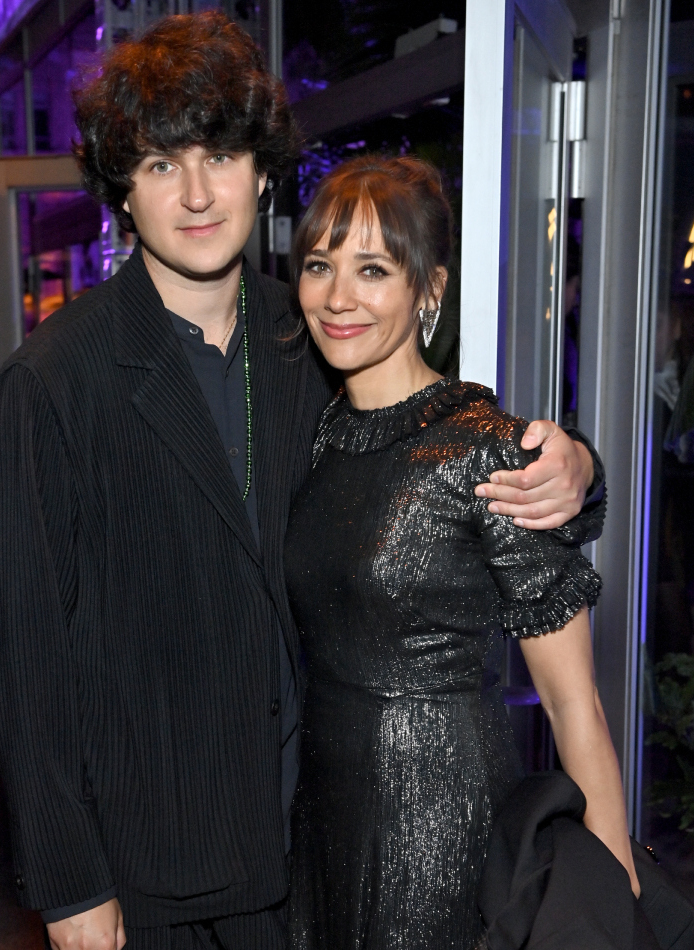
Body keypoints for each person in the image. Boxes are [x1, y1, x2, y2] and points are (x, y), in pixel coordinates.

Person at [0, 14, 604, 950]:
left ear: (263, 174)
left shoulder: (314, 332)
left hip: (312, 841)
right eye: (159, 164)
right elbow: (24, 659)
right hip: (157, 863)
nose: (196, 193)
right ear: (124, 192)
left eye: (220, 156)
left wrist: (576, 467)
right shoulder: (55, 379)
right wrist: (70, 883)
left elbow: (438, 445)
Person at [282, 154, 635, 950]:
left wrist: (615, 900)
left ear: (429, 289)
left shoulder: (488, 452)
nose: (338, 297)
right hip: (322, 818)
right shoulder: (312, 441)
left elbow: (573, 703)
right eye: (319, 266)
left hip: (441, 826)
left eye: (373, 269)